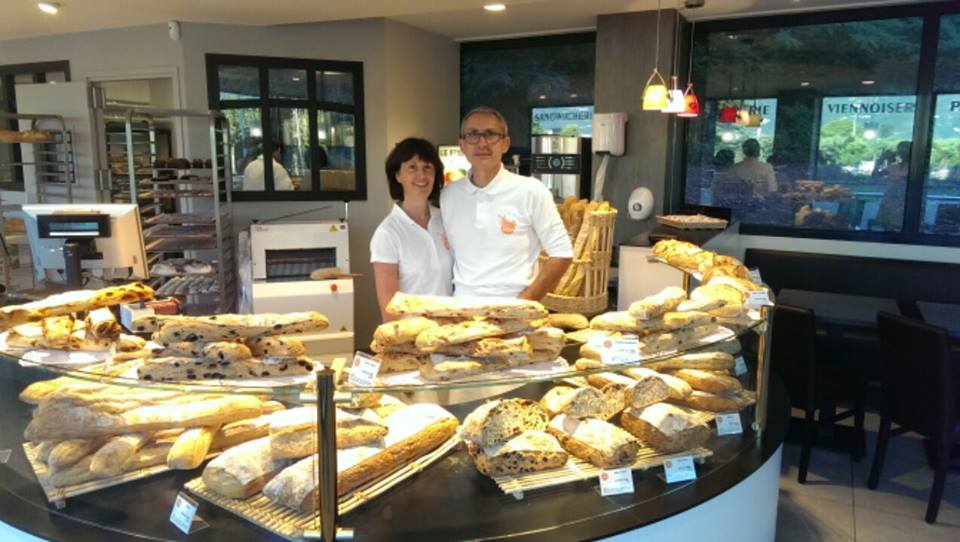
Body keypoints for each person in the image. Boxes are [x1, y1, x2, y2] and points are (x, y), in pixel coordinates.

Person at [441, 107, 572, 299]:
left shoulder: (531, 191)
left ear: (505, 143)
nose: (482, 143)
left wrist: (523, 304)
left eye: (490, 134)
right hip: (462, 314)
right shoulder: (449, 194)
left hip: (515, 314)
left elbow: (562, 253)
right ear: (462, 145)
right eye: (472, 135)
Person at [370, 138, 453, 322]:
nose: (422, 176)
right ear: (398, 175)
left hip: (451, 335)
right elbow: (389, 310)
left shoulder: (447, 220)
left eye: (427, 167)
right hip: (414, 339)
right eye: (412, 167)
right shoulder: (388, 233)